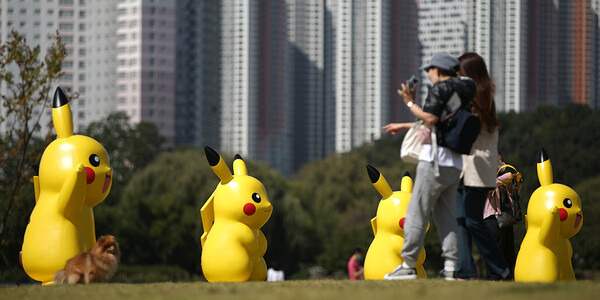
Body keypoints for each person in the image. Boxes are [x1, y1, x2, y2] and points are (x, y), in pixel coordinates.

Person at [382, 52, 476, 280]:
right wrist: (406, 124)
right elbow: (442, 119)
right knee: (447, 217)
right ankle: (452, 268)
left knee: (416, 212)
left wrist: (409, 102)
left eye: (430, 70)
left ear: (438, 70)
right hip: (455, 163)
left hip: (434, 161)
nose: (428, 75)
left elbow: (431, 119)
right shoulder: (465, 90)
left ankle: (408, 265)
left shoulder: (440, 89)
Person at [454, 52, 511, 280]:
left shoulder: (481, 99)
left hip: (477, 169)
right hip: (462, 167)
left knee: (473, 221)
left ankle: (500, 268)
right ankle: (465, 269)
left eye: (460, 73)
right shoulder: (467, 99)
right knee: (461, 219)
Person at [483, 153, 522, 275]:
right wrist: (504, 178)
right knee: (495, 251)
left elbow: (512, 194)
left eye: (501, 160)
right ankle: (493, 278)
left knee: (509, 252)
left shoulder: (502, 179)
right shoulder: (485, 175)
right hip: (492, 219)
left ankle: (508, 277)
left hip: (506, 218)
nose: (501, 164)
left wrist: (517, 182)